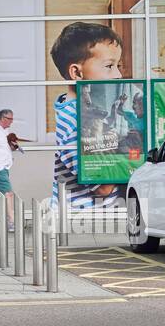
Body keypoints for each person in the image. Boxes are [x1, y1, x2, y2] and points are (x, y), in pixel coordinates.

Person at [50, 21, 127, 210]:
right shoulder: (77, 123)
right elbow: (103, 187)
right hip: (83, 222)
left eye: (119, 65)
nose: (118, 74)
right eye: (109, 66)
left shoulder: (85, 110)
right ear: (76, 72)